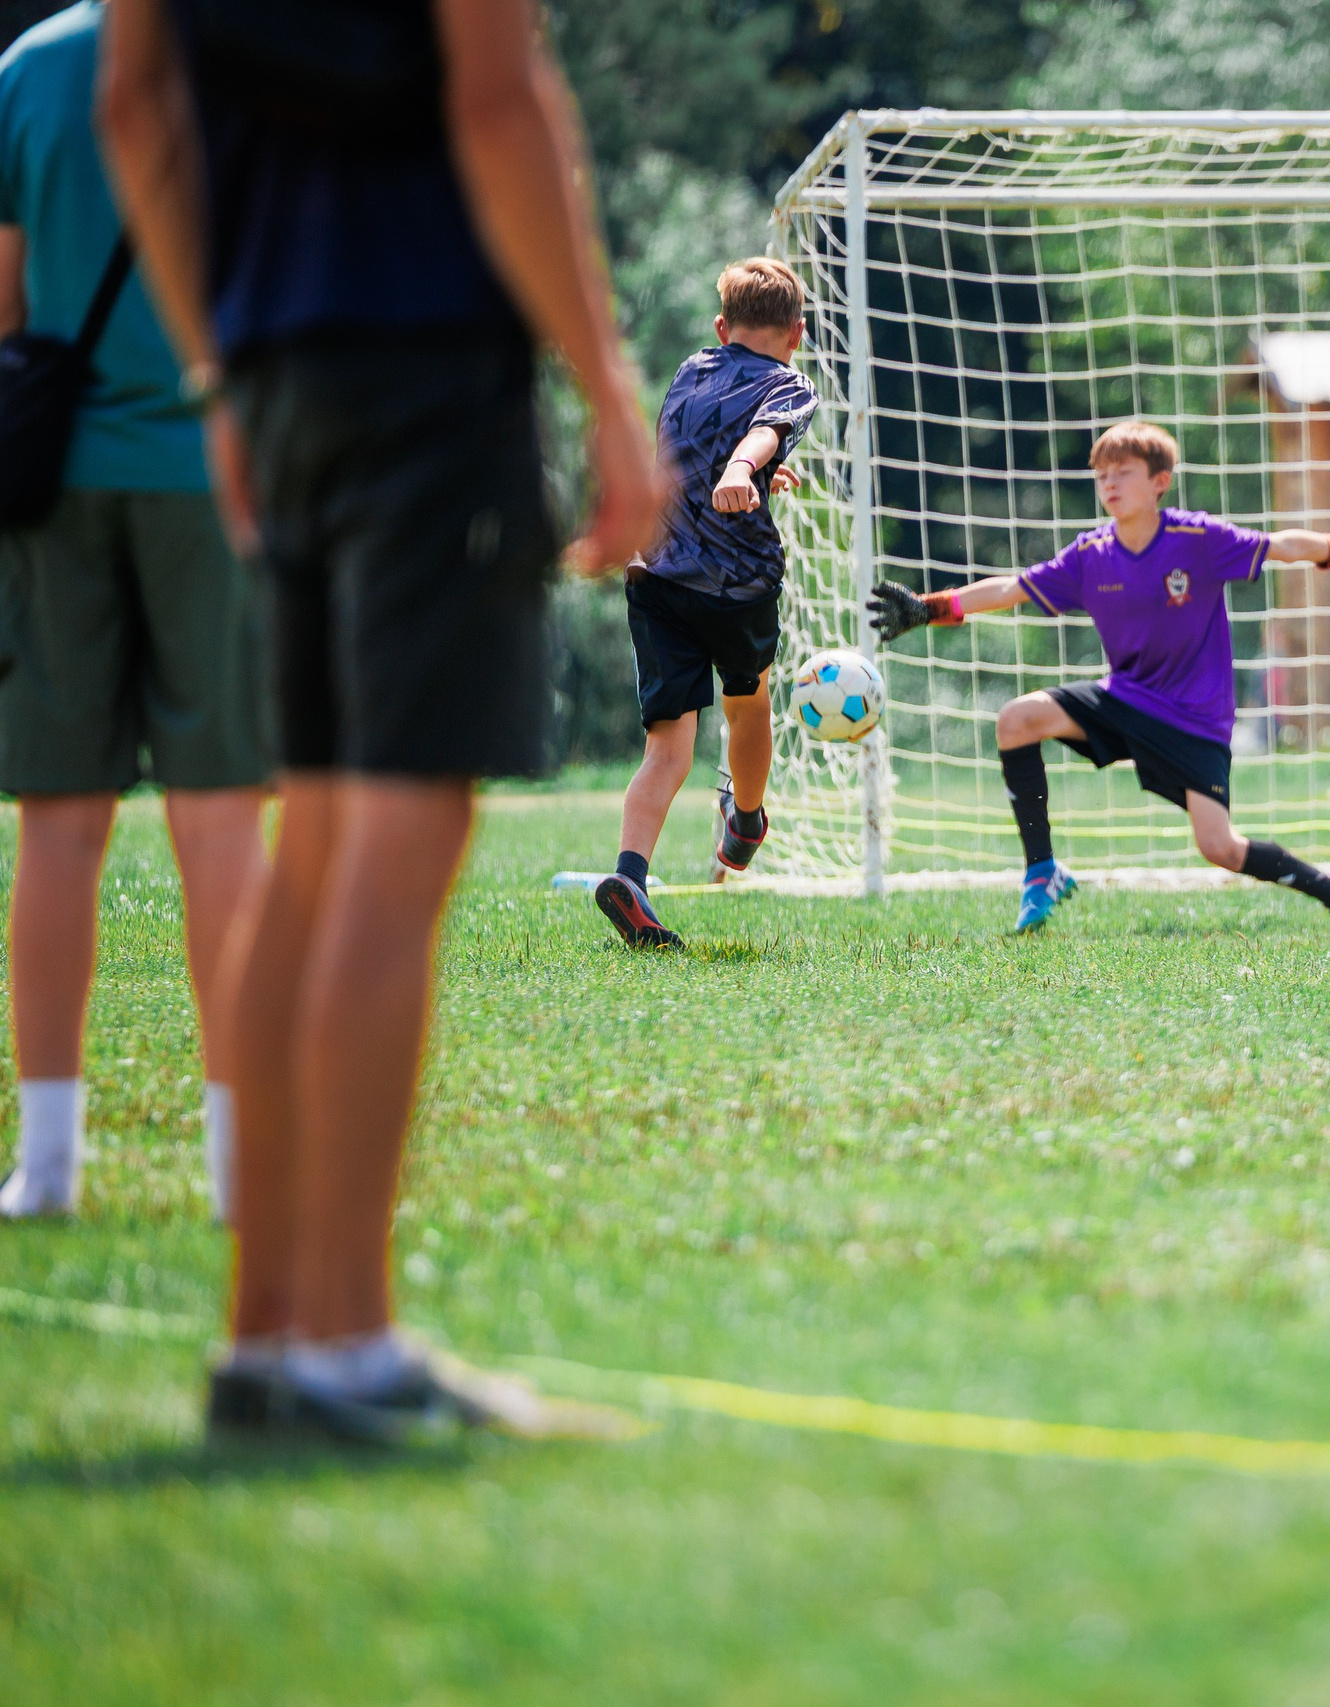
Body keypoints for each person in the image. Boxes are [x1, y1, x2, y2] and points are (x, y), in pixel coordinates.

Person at [102, 0, 664, 1439]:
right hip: (425, 360)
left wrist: (217, 374)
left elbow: (135, 109)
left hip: (276, 372)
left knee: (319, 837)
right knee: (391, 837)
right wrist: (606, 385)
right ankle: (345, 1344)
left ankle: (271, 1334)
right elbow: (494, 92)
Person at [0, 1, 271, 1222]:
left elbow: (5, 305)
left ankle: (46, 1168)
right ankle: (236, 1169)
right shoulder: (247, 57)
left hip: (50, 481)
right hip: (213, 485)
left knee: (57, 829)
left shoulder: (26, 69)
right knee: (219, 830)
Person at [869, 421, 1330, 933]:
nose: (1110, 484)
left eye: (1124, 472)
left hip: (1193, 720)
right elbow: (1011, 589)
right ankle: (1042, 872)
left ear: (1160, 481)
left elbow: (1281, 546)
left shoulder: (1198, 537)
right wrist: (930, 608)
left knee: (1221, 848)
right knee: (1017, 719)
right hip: (1126, 698)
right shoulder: (1091, 555)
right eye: (1102, 476)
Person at [595, 257, 816, 951]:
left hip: (655, 575)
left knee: (666, 748)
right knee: (748, 701)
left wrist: (753, 470)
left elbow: (695, 445)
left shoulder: (691, 369)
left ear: (722, 328)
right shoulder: (790, 380)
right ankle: (746, 818)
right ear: (798, 332)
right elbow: (760, 431)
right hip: (735, 582)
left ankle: (631, 876)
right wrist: (748, 467)